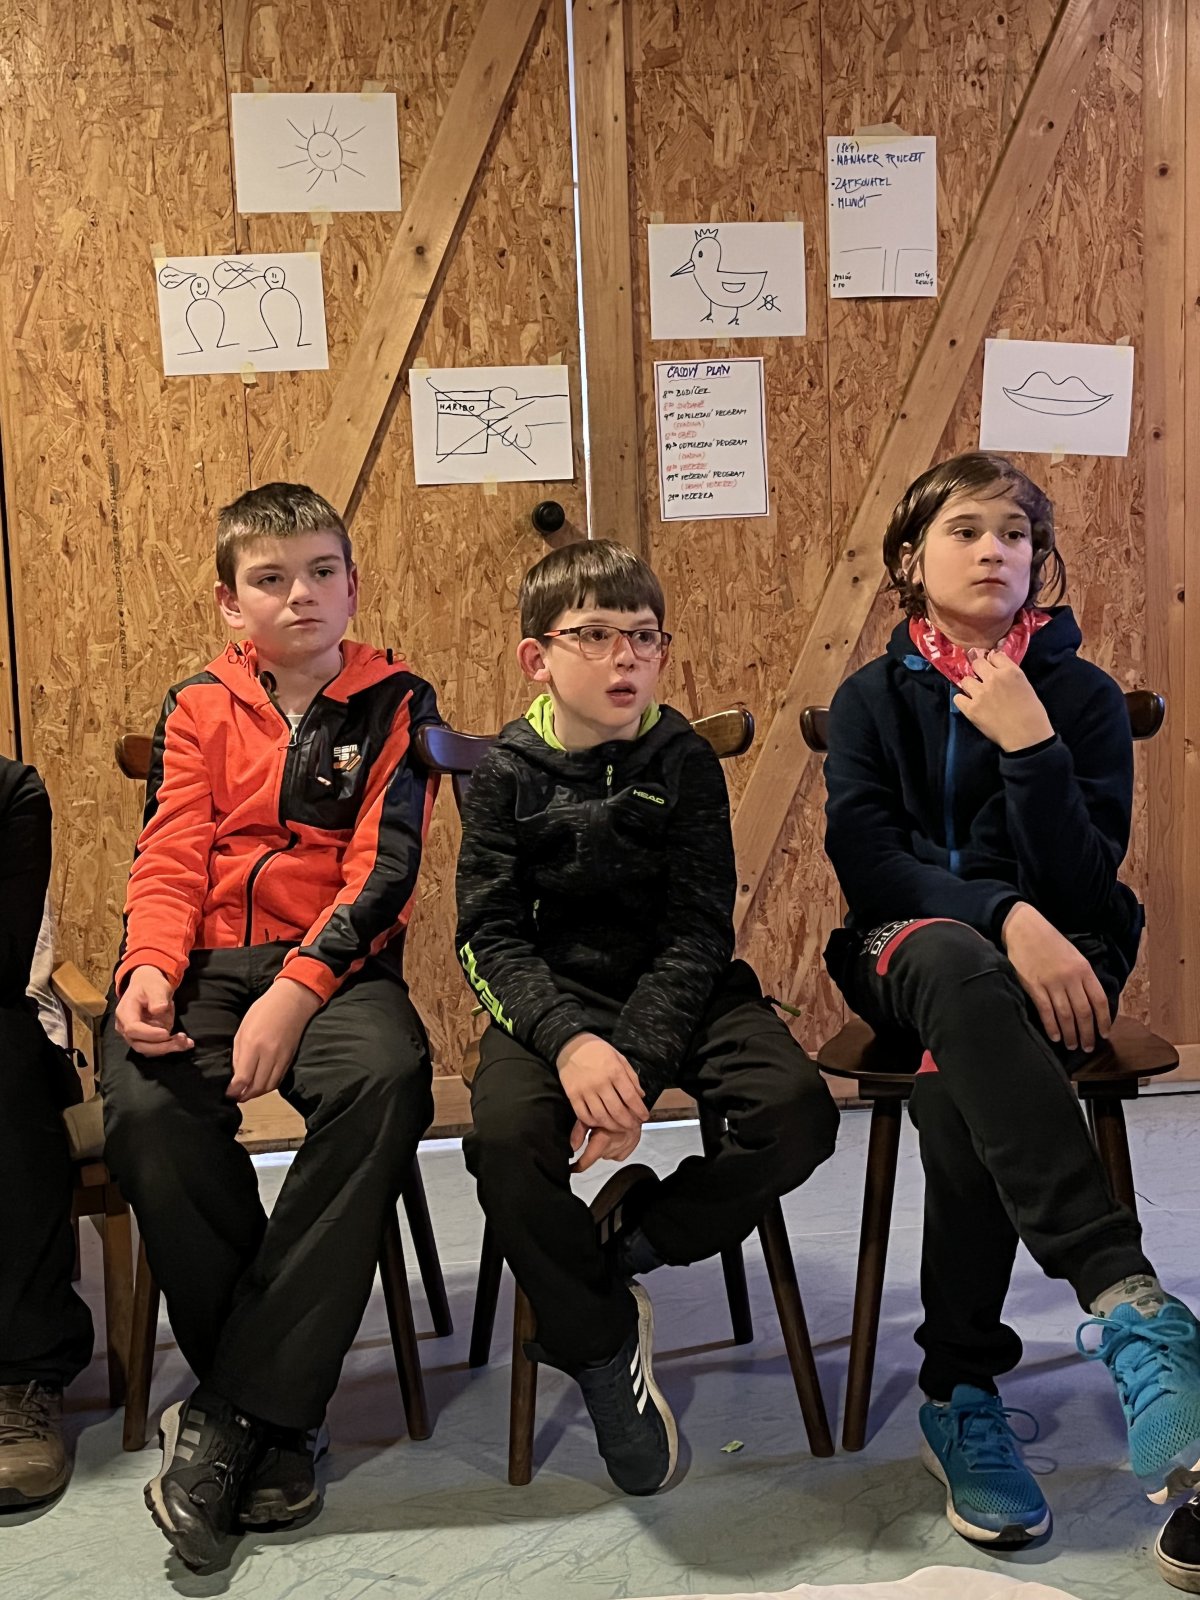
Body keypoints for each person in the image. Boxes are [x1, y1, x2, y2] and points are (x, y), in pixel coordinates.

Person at [822, 451, 1200, 1557]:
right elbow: (872, 868)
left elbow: (1084, 883)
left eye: (1016, 535)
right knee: (955, 966)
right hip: (907, 948)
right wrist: (1005, 916)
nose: (995, 551)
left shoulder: (1079, 697)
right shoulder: (871, 698)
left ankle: (959, 1393)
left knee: (958, 1091)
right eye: (966, 531)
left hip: (1067, 957)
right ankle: (1126, 1295)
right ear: (911, 557)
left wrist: (1031, 743)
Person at [101, 483, 439, 1571]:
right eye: (271, 578)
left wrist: (296, 992)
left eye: (322, 572)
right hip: (204, 963)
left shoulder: (397, 701)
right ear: (229, 602)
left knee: (387, 1078)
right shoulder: (196, 704)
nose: (301, 595)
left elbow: (384, 871)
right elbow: (169, 853)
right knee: (146, 1107)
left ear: (353, 584)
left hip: (335, 967)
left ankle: (234, 1412)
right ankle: (279, 1420)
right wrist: (149, 967)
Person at [455, 539, 839, 1496]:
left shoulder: (684, 761)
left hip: (683, 990)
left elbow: (699, 928)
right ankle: (600, 1339)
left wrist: (633, 1064)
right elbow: (488, 937)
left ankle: (636, 1239)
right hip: (554, 1000)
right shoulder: (505, 773)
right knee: (503, 1142)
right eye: (594, 636)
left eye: (644, 637)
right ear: (537, 658)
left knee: (797, 1111)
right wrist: (572, 1044)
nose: (625, 657)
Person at [0, 761, 94, 1507]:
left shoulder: (12, 796)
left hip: (5, 1031)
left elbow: (3, 964)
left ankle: (21, 1376)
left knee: (4, 1059)